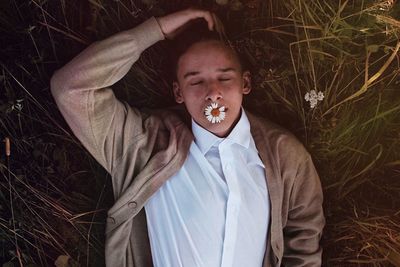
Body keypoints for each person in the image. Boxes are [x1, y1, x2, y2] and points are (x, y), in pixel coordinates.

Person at [50, 8, 325, 267]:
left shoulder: (287, 155)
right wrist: (155, 30)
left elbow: (304, 239)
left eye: (225, 78)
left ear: (245, 84)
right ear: (178, 92)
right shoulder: (143, 144)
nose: (212, 92)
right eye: (195, 81)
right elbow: (71, 88)